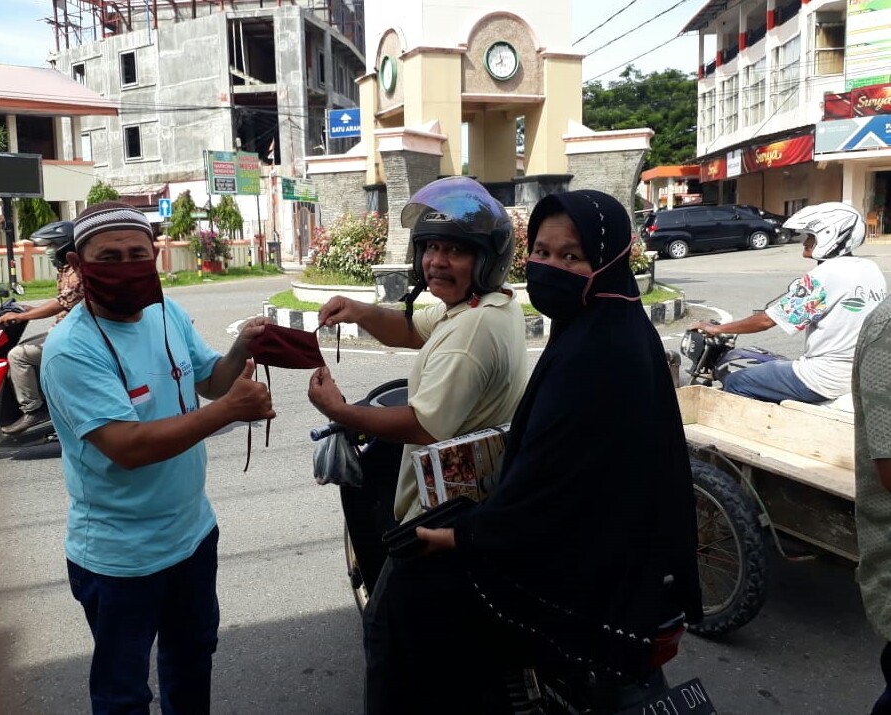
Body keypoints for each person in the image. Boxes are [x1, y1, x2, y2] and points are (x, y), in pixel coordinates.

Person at [364, 189, 703, 715]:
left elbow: (549, 485)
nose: (550, 267)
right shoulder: (606, 324)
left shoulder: (596, 352)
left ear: (607, 260)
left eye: (570, 256)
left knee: (402, 614)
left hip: (593, 571)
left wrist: (461, 535)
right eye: (541, 253)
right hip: (613, 552)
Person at [40, 201, 275, 714]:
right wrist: (231, 410)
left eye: (136, 254)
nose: (126, 266)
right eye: (109, 256)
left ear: (155, 257)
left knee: (192, 661)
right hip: (120, 558)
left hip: (192, 536)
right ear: (79, 264)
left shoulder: (166, 312)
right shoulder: (71, 349)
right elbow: (128, 447)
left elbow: (210, 380)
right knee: (124, 692)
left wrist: (242, 349)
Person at [306, 175, 528, 712]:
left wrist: (341, 412)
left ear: (487, 260)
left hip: (441, 518)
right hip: (474, 503)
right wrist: (360, 311)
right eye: (431, 247)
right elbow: (409, 328)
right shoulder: (484, 306)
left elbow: (424, 425)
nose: (437, 261)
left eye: (455, 250)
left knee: (390, 643)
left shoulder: (472, 331)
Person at [692, 202, 887, 404]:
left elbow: (767, 321)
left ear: (832, 235)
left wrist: (718, 328)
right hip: (862, 374)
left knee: (736, 381)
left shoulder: (826, 274)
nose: (805, 241)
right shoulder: (870, 269)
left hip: (823, 377)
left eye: (812, 236)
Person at [0, 221, 83, 434]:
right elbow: (62, 301)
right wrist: (29, 309)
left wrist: (24, 316)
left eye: (52, 245)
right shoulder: (65, 268)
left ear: (64, 246)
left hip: (75, 336)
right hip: (65, 330)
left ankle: (34, 410)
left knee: (18, 356)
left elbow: (61, 303)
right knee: (21, 350)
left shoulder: (77, 272)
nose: (48, 251)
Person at [853, 293, 891, 715]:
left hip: (815, 377)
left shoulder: (819, 281)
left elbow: (774, 318)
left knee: (743, 380)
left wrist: (718, 330)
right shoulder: (866, 276)